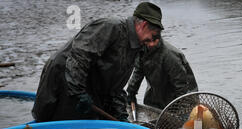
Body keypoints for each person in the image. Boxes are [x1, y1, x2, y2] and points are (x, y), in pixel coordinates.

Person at [32, 2, 165, 122]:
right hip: (65, 77)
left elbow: (115, 87)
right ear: (143, 25)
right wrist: (78, 93)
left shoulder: (136, 47)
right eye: (153, 35)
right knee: (60, 127)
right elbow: (79, 57)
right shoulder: (111, 27)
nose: (152, 42)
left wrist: (121, 115)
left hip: (90, 84)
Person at [126, 36, 198, 110]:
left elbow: (181, 86)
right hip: (156, 95)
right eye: (148, 41)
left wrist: (178, 108)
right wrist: (131, 92)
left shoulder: (170, 55)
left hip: (182, 98)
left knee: (193, 118)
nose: (151, 44)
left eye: (154, 40)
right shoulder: (143, 50)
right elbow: (138, 72)